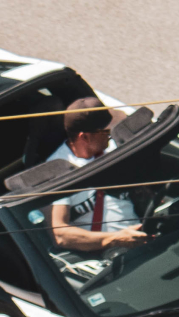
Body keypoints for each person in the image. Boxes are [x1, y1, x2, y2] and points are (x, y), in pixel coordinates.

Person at [43, 97, 147, 255]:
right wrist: (115, 239)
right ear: (84, 137)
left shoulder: (111, 149)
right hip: (105, 253)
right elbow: (60, 234)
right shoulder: (57, 173)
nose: (110, 135)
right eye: (105, 132)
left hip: (139, 238)